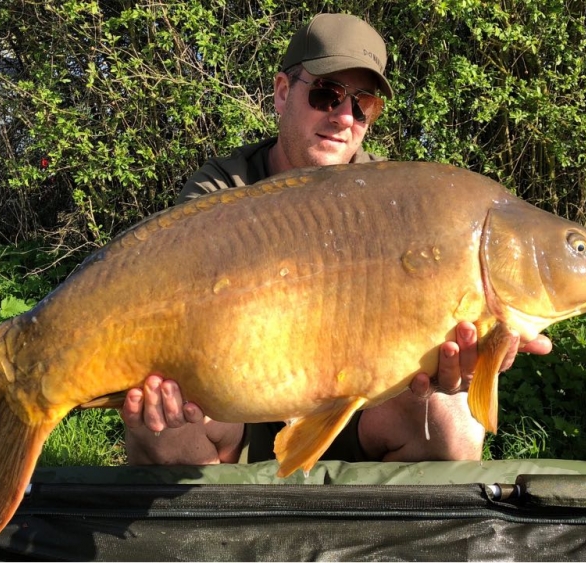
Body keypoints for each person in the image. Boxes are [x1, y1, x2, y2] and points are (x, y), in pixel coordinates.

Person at [120, 13, 552, 467]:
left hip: (355, 416)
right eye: (326, 94)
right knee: (162, 427)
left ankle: (379, 536)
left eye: (362, 103)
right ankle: (218, 535)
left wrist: (479, 356)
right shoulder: (222, 193)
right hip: (235, 412)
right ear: (283, 92)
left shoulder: (398, 203)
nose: (344, 116)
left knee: (451, 420)